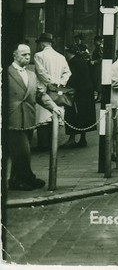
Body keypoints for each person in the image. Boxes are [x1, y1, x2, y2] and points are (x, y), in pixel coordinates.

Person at [7, 43, 64, 191]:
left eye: (28, 54)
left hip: (28, 117)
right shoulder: (6, 73)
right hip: (12, 118)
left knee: (21, 151)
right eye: (23, 54)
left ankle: (16, 180)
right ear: (14, 55)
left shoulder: (31, 74)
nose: (27, 57)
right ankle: (26, 178)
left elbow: (40, 94)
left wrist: (54, 107)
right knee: (22, 151)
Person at [33, 32, 71, 152]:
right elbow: (67, 72)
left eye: (40, 43)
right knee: (55, 114)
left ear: (43, 43)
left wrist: (50, 83)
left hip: (44, 89)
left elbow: (41, 72)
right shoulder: (60, 56)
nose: (39, 45)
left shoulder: (38, 55)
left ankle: (43, 144)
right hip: (58, 90)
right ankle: (52, 142)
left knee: (43, 117)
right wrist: (59, 83)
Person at [63, 46, 96, 148]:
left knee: (72, 115)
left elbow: (71, 78)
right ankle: (83, 139)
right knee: (84, 116)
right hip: (87, 93)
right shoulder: (81, 61)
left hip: (77, 93)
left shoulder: (72, 62)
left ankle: (72, 139)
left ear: (68, 53)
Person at [90, 35, 104, 102]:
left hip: (99, 66)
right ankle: (99, 96)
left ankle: (100, 97)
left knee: (98, 81)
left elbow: (102, 57)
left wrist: (94, 61)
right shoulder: (98, 47)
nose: (94, 42)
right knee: (97, 81)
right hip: (97, 66)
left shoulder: (99, 47)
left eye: (95, 40)